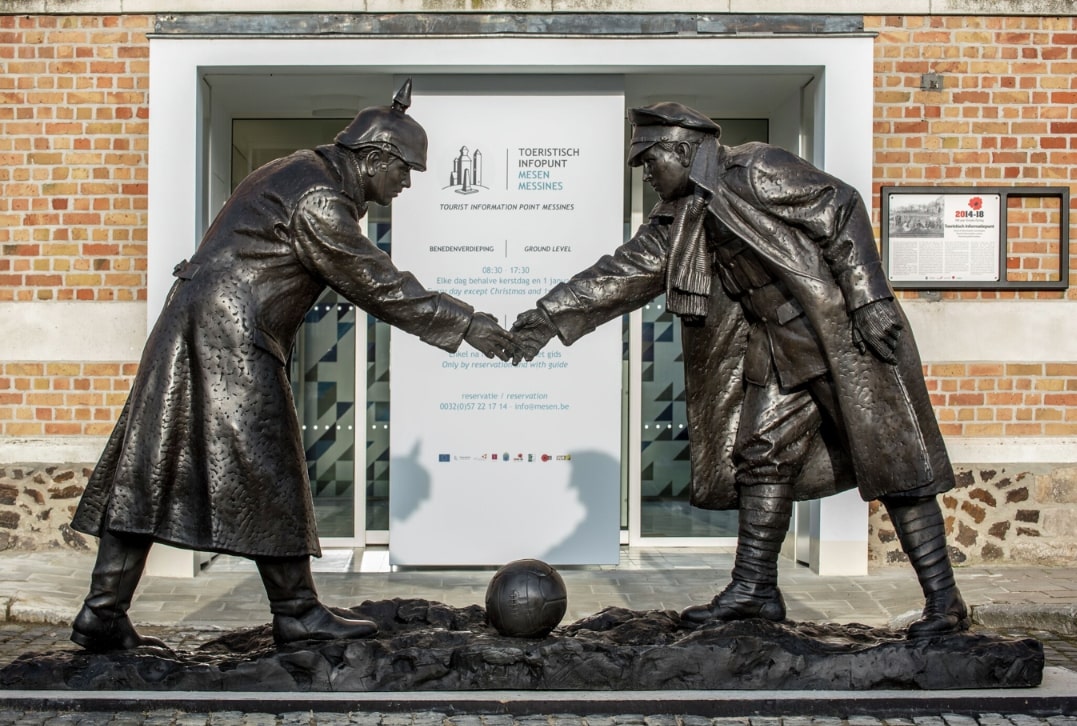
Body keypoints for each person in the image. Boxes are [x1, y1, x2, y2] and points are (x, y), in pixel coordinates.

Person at [69, 80, 516, 651]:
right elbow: (373, 281)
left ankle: (102, 612)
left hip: (198, 330)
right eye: (404, 171)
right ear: (375, 157)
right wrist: (468, 322)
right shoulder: (319, 197)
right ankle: (298, 612)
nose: (405, 184)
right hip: (229, 341)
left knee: (152, 469)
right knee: (268, 467)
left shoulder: (299, 170)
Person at [512, 101, 969, 638]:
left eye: (650, 161)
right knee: (762, 457)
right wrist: (545, 319)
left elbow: (840, 206)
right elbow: (622, 273)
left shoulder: (754, 169)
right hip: (776, 346)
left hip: (840, 336)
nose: (647, 173)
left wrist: (870, 299)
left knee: (892, 461)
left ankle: (945, 602)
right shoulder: (680, 215)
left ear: (680, 150)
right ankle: (754, 589)